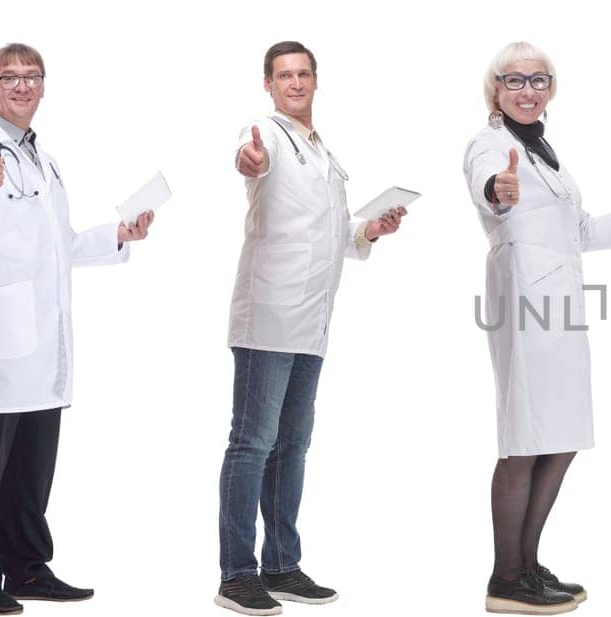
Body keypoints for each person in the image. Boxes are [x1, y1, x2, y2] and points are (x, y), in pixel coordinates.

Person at [0, 42, 156, 616]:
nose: (21, 86)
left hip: (41, 343)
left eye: (31, 76)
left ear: (43, 86)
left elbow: (56, 246)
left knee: (31, 467)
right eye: (8, 77)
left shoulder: (45, 159)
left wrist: (117, 235)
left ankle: (29, 569)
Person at [463, 41, 611, 615]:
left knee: (561, 435)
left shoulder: (546, 153)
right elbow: (492, 185)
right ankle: (505, 576)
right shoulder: (491, 145)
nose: (528, 90)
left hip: (560, 306)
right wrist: (497, 191)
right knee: (525, 438)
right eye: (515, 80)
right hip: (524, 301)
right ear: (496, 90)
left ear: (550, 89)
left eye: (539, 80)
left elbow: (578, 228)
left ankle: (527, 565)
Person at [215, 40, 409, 616]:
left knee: (292, 447)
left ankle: (281, 564)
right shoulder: (266, 134)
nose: (294, 84)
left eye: (303, 74)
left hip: (312, 323)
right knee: (252, 444)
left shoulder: (322, 148)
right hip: (268, 319)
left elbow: (331, 235)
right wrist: (247, 160)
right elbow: (250, 160)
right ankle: (236, 574)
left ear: (316, 81)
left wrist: (369, 230)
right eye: (284, 76)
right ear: (268, 85)